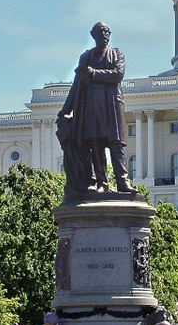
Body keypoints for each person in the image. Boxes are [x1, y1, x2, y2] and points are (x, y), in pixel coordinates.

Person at [56, 22, 131, 198]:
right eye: (100, 32)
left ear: (110, 34)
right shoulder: (86, 57)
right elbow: (77, 85)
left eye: (106, 31)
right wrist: (66, 110)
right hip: (91, 108)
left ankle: (123, 181)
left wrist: (93, 73)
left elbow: (118, 74)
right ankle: (102, 183)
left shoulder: (117, 54)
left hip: (111, 104)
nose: (103, 34)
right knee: (96, 146)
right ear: (93, 35)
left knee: (116, 144)